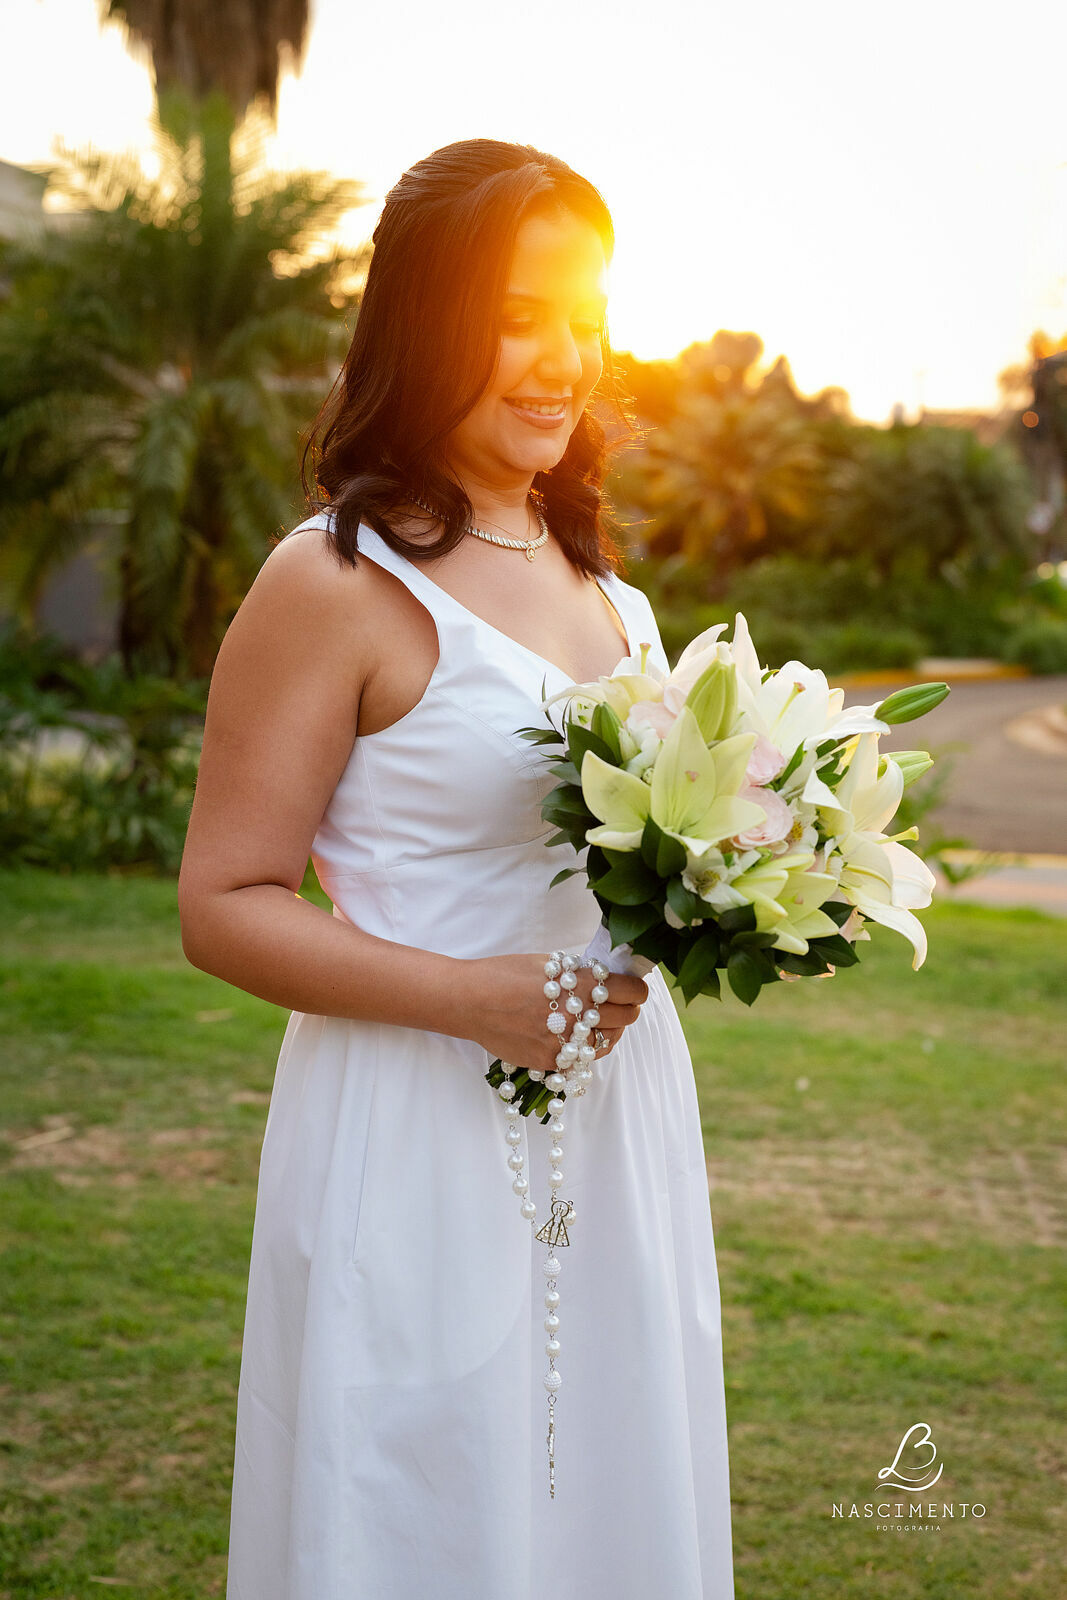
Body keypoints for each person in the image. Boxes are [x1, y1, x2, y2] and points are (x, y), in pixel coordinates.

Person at [178, 137, 735, 1600]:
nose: (563, 361)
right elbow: (221, 906)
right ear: (424, 320)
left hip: (619, 1127)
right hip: (418, 1126)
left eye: (586, 319)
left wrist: (746, 879)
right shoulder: (337, 581)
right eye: (519, 315)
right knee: (425, 1505)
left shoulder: (608, 585)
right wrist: (470, 1000)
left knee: (609, 1497)